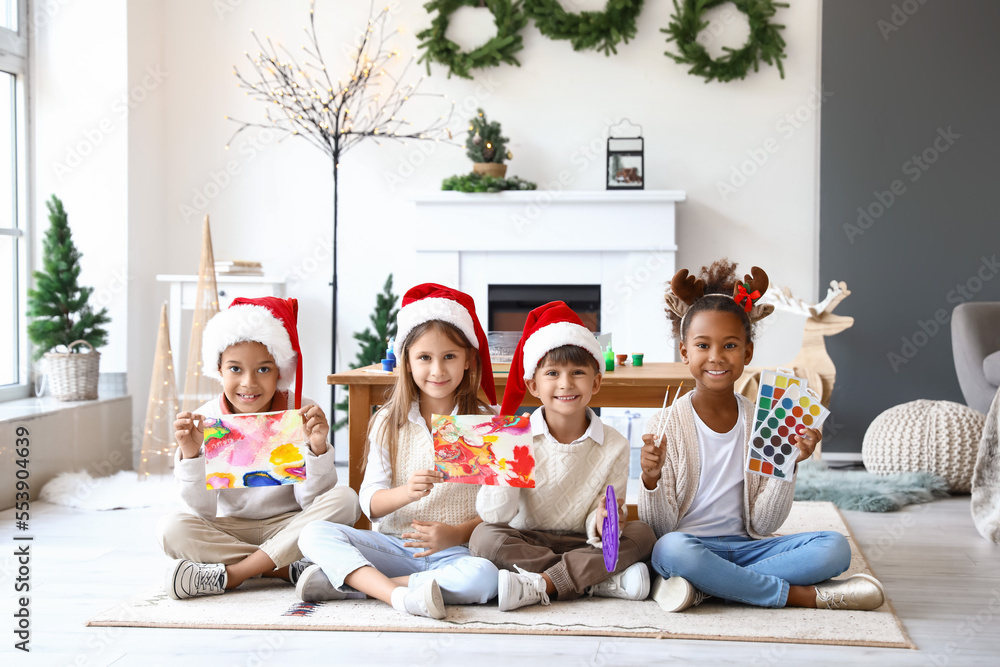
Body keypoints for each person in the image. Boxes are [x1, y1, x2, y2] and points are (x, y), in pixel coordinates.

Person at [639, 260, 885, 612]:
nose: (716, 358)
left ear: (747, 353)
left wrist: (787, 464)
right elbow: (659, 527)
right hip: (688, 545)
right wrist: (651, 478)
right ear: (685, 352)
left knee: (835, 547)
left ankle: (708, 587)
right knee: (668, 550)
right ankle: (799, 596)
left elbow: (765, 524)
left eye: (730, 346)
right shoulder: (664, 424)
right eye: (703, 346)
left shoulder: (763, 421)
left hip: (748, 546)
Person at [295, 284, 500, 619]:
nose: (437, 370)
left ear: (468, 360)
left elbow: (502, 509)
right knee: (313, 532)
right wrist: (405, 493)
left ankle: (361, 585)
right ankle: (396, 594)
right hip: (393, 544)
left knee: (485, 578)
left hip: (456, 551)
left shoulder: (484, 422)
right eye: (425, 358)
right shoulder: (389, 421)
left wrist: (457, 534)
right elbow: (369, 502)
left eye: (449, 356)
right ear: (406, 361)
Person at [159, 296, 360, 600]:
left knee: (346, 499)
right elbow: (202, 511)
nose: (249, 383)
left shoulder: (301, 411)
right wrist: (191, 455)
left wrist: (317, 450)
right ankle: (283, 569)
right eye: (236, 369)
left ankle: (234, 574)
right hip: (232, 528)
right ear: (219, 369)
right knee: (172, 528)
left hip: (290, 523)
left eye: (263, 370)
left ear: (280, 370)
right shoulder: (206, 417)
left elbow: (312, 503)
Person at [470, 302, 657, 611]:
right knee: (483, 537)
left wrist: (601, 521)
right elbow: (495, 516)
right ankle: (594, 580)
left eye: (578, 373)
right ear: (533, 385)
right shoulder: (514, 434)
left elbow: (605, 518)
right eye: (553, 373)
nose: (566, 384)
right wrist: (504, 462)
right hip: (526, 539)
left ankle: (542, 583)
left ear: (596, 382)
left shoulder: (615, 445)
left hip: (583, 543)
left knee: (644, 534)